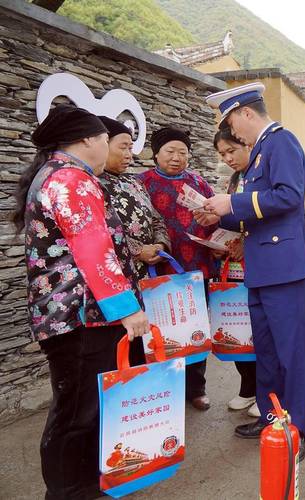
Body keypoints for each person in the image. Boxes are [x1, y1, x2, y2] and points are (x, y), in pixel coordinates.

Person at [14, 104, 149, 499]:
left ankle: (85, 484)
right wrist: (128, 309)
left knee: (83, 407)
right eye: (107, 139)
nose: (109, 147)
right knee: (77, 412)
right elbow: (94, 251)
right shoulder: (72, 180)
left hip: (71, 316)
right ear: (88, 139)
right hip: (80, 317)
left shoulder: (56, 175)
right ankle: (68, 490)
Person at [203, 82, 305, 459]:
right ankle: (272, 417)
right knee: (266, 351)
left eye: (233, 124)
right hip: (263, 269)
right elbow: (260, 214)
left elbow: (287, 196)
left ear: (246, 113)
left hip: (284, 269)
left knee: (292, 352)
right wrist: (223, 215)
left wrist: (231, 201)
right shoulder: (260, 153)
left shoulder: (280, 142)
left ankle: (297, 427)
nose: (234, 133)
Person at [139, 126, 215, 411]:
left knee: (194, 328)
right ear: (155, 153)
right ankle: (163, 389)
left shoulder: (198, 182)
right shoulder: (141, 183)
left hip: (196, 270)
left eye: (182, 152)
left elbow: (216, 219)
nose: (176, 158)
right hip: (158, 271)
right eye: (170, 151)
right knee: (160, 332)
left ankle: (196, 387)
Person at [96, 116, 172, 367]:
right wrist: (138, 250)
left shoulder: (135, 182)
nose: (130, 154)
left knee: (146, 343)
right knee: (117, 348)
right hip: (115, 280)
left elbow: (157, 219)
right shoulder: (92, 184)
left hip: (146, 276)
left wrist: (160, 246)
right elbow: (100, 233)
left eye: (132, 147)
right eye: (123, 147)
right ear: (102, 144)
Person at [208, 128, 260, 418]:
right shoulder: (236, 179)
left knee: (258, 332)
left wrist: (246, 243)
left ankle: (264, 390)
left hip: (259, 267)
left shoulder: (260, 177)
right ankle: (247, 386)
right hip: (234, 268)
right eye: (222, 154)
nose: (228, 158)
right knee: (239, 329)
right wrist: (219, 242)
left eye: (231, 151)